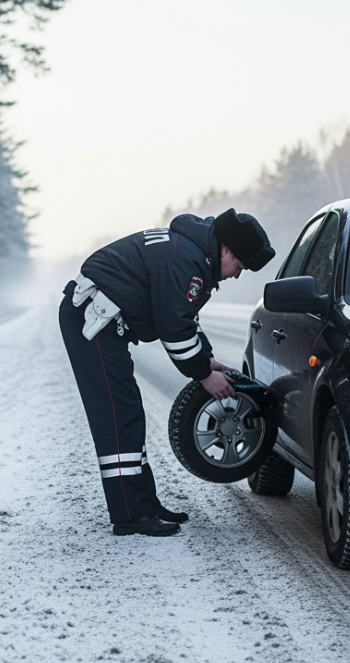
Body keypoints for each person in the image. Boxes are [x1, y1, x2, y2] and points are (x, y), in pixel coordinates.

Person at [59, 209, 275, 536]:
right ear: (226, 250)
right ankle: (130, 514)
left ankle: (144, 503)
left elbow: (182, 316)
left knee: (128, 411)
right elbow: (173, 330)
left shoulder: (192, 254)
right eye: (240, 266)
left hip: (104, 322)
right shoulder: (185, 260)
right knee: (118, 415)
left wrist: (208, 359)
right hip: (93, 320)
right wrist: (205, 375)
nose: (236, 275)